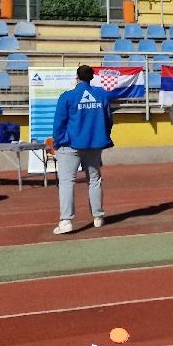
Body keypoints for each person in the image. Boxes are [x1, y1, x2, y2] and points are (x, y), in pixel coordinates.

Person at [52, 65, 113, 235]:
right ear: (92, 77)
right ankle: (98, 216)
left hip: (70, 145)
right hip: (93, 144)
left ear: (77, 77)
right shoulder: (102, 95)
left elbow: (59, 123)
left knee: (66, 182)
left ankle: (66, 220)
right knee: (94, 180)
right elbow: (109, 120)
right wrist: (102, 136)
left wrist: (57, 143)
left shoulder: (67, 96)